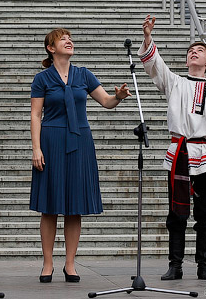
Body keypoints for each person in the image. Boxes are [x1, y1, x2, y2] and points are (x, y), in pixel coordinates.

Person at [30, 28, 131, 284]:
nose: (68, 41)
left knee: (74, 207)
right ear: (51, 48)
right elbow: (35, 115)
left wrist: (118, 97)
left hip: (80, 141)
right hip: (51, 141)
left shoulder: (83, 74)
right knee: (50, 206)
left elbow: (106, 102)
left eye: (69, 38)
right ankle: (48, 263)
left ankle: (71, 264)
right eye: (62, 39)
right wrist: (36, 148)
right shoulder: (42, 78)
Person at [139, 15, 206, 281]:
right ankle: (175, 265)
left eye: (200, 51)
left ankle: (204, 264)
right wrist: (148, 36)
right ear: (186, 60)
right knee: (177, 213)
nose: (194, 53)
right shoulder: (175, 83)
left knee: (205, 214)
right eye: (190, 51)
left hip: (205, 156)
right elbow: (155, 67)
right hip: (179, 154)